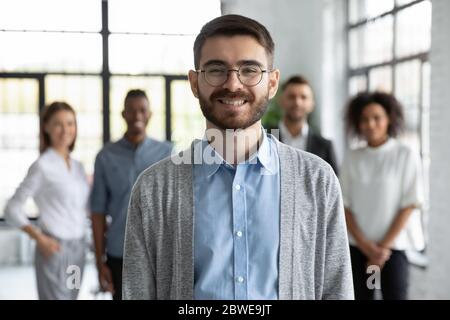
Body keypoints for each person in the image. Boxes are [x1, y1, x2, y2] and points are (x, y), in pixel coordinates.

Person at [122, 14, 353, 300]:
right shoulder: (153, 190)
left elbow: (336, 289)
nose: (233, 84)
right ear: (195, 83)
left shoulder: (317, 180)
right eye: (216, 70)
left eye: (250, 70)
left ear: (272, 83)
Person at [90, 89, 173, 300]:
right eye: (131, 110)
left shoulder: (168, 154)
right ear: (123, 114)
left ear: (149, 115)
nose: (137, 116)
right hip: (120, 254)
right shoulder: (105, 157)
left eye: (142, 110)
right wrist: (100, 262)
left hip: (158, 254)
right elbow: (97, 212)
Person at [340, 92, 423, 300]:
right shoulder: (352, 157)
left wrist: (382, 250)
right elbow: (344, 205)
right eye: (364, 119)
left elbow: (410, 203)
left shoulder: (405, 154)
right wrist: (367, 247)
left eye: (377, 117)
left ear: (389, 119)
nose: (370, 124)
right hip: (359, 250)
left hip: (392, 251)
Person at [4, 102, 89, 300]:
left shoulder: (78, 167)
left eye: (70, 123)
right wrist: (39, 238)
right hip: (54, 249)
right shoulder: (42, 166)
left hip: (78, 251)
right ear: (46, 127)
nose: (65, 130)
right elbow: (12, 208)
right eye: (58, 124)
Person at [269, 75, 338, 174]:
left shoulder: (324, 146)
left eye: (303, 97)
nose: (297, 102)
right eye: (291, 97)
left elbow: (333, 187)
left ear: (312, 104)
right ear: (281, 101)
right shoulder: (265, 139)